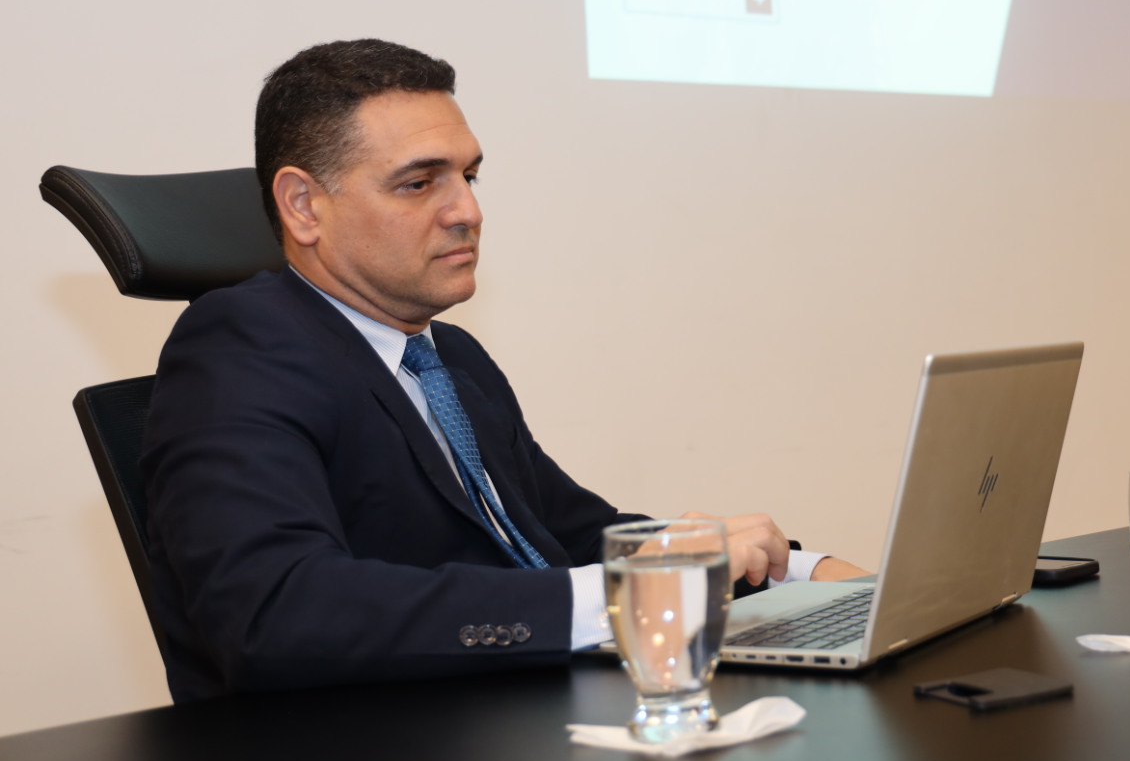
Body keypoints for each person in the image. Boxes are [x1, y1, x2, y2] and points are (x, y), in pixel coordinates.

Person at [142, 39, 860, 702]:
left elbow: (575, 536)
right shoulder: (238, 345)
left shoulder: (448, 356)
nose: (468, 210)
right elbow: (278, 611)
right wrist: (630, 595)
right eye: (419, 184)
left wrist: (794, 572)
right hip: (364, 759)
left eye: (469, 176)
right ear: (304, 206)